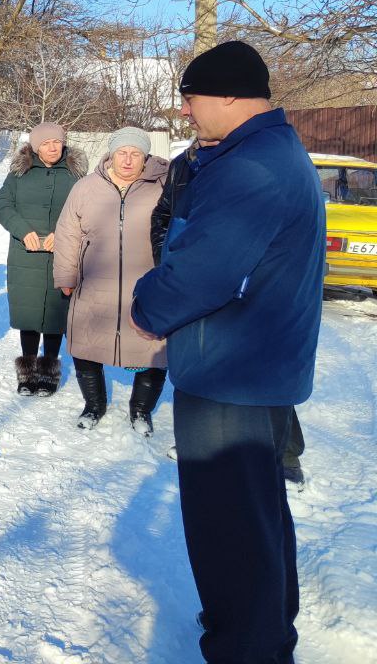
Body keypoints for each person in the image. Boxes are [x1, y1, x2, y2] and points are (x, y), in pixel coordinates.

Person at [132, 41, 325, 663]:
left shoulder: (250, 168)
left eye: (190, 99)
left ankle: (248, 646)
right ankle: (265, 634)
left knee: (230, 532)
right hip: (252, 367)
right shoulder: (269, 151)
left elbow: (201, 274)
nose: (185, 112)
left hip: (229, 374)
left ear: (229, 96)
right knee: (258, 518)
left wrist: (146, 305)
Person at [151, 135, 309, 487]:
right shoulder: (183, 165)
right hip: (193, 275)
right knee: (203, 360)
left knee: (261, 370)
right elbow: (164, 214)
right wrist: (169, 257)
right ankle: (199, 439)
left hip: (248, 287)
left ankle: (287, 453)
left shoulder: (249, 163)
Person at [53, 127, 169, 432]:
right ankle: (94, 405)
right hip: (94, 283)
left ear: (146, 157)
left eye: (135, 154)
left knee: (155, 352)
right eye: (122, 153)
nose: (128, 160)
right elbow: (68, 233)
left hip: (147, 285)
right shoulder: (87, 187)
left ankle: (141, 410)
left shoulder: (163, 186)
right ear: (111, 154)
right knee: (86, 346)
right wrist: (66, 275)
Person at [0, 122, 86, 396]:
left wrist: (65, 234)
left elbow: (87, 211)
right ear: (35, 147)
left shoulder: (76, 175)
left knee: (57, 314)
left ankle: (49, 373)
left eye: (56, 142)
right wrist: (23, 231)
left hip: (64, 253)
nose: (52, 147)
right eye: (45, 143)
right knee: (30, 315)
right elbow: (3, 204)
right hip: (26, 255)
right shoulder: (19, 174)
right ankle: (27, 374)